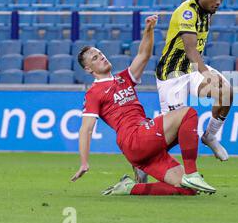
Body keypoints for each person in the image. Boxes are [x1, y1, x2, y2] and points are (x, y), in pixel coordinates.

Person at [71, 15, 216, 196]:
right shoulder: (94, 93)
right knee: (187, 114)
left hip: (144, 142)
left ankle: (130, 187)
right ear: (88, 69)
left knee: (187, 190)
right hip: (134, 138)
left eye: (101, 54)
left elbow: (144, 55)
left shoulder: (123, 78)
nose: (102, 58)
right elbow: (86, 129)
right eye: (95, 58)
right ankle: (192, 173)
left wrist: (149, 29)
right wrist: (84, 162)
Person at [155, 0, 233, 162]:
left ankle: (210, 136)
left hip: (190, 71)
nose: (219, 3)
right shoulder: (187, 12)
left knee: (226, 92)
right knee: (173, 133)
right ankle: (144, 161)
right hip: (172, 75)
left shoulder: (207, 13)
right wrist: (207, 74)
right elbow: (190, 49)